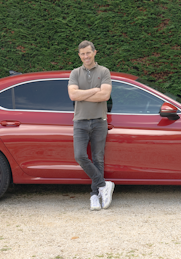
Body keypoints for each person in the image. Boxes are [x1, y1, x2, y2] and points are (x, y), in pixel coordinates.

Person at [67, 40, 114, 211]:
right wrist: (94, 90)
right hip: (80, 121)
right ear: (79, 55)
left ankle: (95, 194)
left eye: (88, 53)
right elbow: (73, 95)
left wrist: (83, 94)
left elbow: (105, 95)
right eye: (82, 54)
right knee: (80, 155)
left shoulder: (104, 71)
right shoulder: (75, 73)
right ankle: (103, 185)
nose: (86, 56)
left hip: (99, 121)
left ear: (95, 52)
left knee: (98, 159)